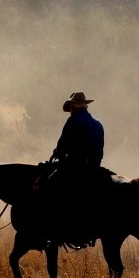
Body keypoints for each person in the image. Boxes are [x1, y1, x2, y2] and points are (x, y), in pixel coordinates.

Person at [43, 91, 105, 247]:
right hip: (94, 167)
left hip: (75, 167)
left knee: (49, 188)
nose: (70, 110)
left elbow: (62, 146)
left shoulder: (73, 121)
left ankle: (56, 232)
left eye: (70, 107)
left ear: (73, 107)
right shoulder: (97, 123)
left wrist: (56, 154)